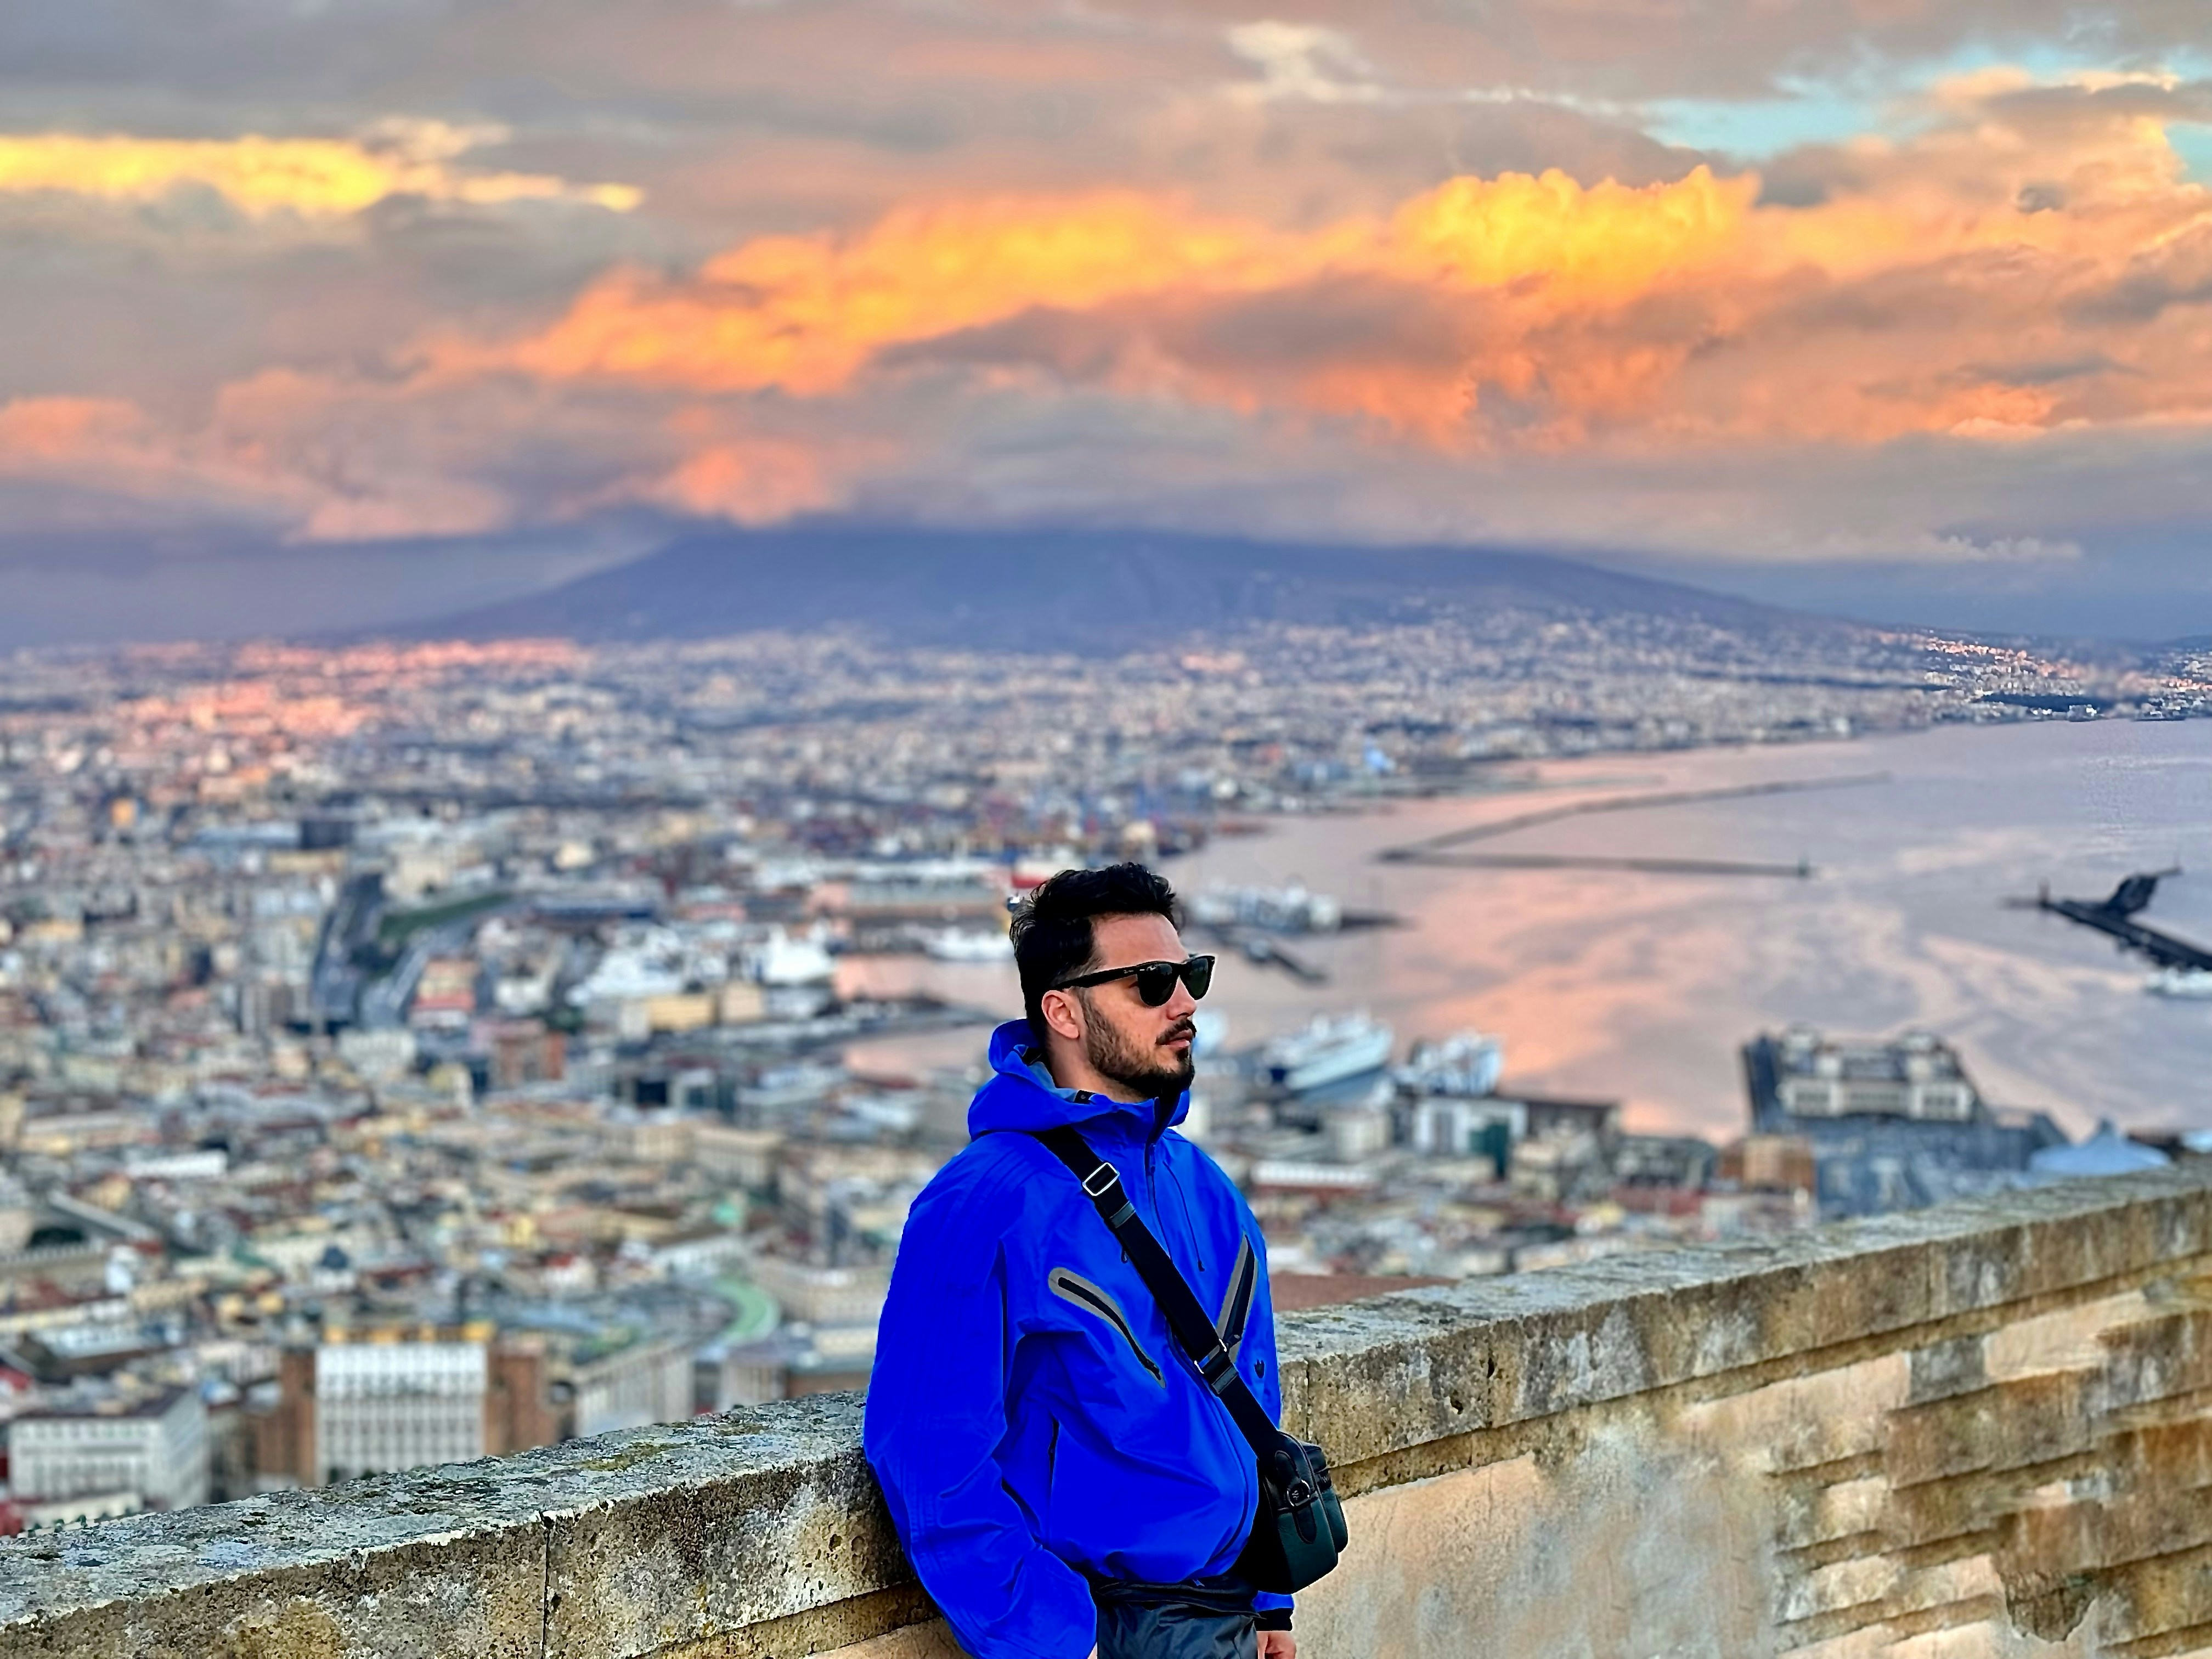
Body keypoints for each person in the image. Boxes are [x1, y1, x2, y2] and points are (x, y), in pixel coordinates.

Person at [865, 863, 1298, 1659]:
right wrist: (1063, 1642)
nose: (1186, 1001)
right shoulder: (987, 1202)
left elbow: (1253, 1390)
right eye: (1151, 983)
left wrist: (1270, 1601)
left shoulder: (1205, 1187)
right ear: (1062, 1011)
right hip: (1106, 1627)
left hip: (1225, 1621)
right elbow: (927, 1455)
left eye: (1189, 975)